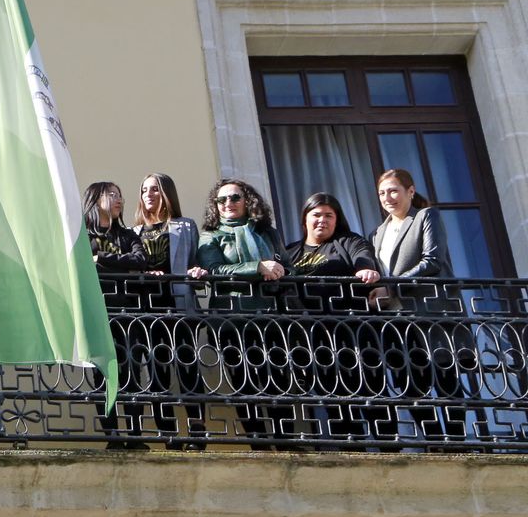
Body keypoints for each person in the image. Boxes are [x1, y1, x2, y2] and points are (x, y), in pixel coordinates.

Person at [371, 168, 468, 445]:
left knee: (445, 377)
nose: (388, 197)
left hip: (431, 311)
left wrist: (391, 287)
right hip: (397, 318)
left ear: (410, 191)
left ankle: (457, 443)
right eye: (382, 193)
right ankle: (435, 442)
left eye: (394, 190)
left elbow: (432, 261)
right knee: (409, 384)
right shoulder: (377, 233)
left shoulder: (426, 216)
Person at [196, 177, 295, 449]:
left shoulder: (267, 232)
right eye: (221, 199)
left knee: (277, 379)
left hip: (271, 318)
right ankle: (258, 442)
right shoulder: (211, 235)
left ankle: (285, 441)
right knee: (244, 382)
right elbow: (215, 270)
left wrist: (280, 271)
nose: (228, 203)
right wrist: (257, 267)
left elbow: (289, 266)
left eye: (235, 197)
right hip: (233, 320)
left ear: (247, 201)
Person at [283, 192, 384, 443]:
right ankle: (351, 448)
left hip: (353, 333)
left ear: (337, 220)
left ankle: (389, 447)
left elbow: (362, 256)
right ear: (305, 219)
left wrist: (366, 269)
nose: (322, 220)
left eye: (329, 215)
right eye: (316, 215)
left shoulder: (347, 241)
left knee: (371, 392)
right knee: (333, 396)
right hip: (313, 338)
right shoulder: (290, 252)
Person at [132, 173, 209, 450]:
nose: (148, 194)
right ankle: (169, 435)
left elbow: (196, 260)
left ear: (167, 193)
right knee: (156, 372)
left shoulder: (184, 226)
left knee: (188, 368)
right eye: (144, 190)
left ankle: (197, 431)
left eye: (155, 189)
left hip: (179, 305)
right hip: (148, 310)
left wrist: (198, 271)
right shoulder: (134, 232)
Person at [83, 181, 149, 449]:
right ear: (94, 199)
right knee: (102, 375)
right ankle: (112, 436)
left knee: (132, 372)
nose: (119, 199)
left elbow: (140, 260)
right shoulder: (82, 235)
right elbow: (77, 266)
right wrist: (116, 264)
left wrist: (102, 260)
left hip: (128, 312)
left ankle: (135, 435)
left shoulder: (128, 235)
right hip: (96, 313)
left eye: (120, 194)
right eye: (111, 194)